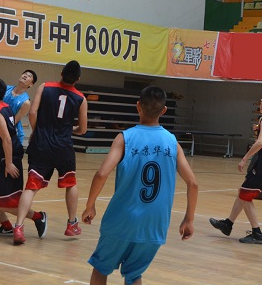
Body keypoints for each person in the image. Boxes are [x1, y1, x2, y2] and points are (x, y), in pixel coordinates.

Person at [82, 86, 198, 285]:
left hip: (122, 219)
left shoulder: (125, 138)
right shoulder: (172, 141)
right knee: (134, 275)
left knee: (101, 267)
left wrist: (90, 205)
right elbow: (193, 183)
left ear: (138, 106)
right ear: (163, 111)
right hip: (155, 223)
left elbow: (102, 173)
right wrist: (189, 219)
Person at [13, 60, 88, 244]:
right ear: (78, 79)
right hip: (63, 147)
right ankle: (72, 224)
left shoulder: (45, 87)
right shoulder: (81, 98)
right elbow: (83, 129)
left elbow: (32, 113)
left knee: (31, 187)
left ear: (61, 73)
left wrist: (38, 131)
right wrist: (69, 130)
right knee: (70, 183)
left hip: (41, 144)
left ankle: (19, 227)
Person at [210, 87, 262, 244]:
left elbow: (260, 142)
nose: (261, 100)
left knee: (245, 196)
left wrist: (245, 158)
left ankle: (257, 233)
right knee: (243, 191)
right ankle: (228, 224)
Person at [0, 78, 46, 238]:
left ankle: (39, 217)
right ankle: (7, 227)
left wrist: (9, 163)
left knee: (6, 203)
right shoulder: (4, 106)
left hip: (8, 159)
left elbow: (7, 139)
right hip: (1, 159)